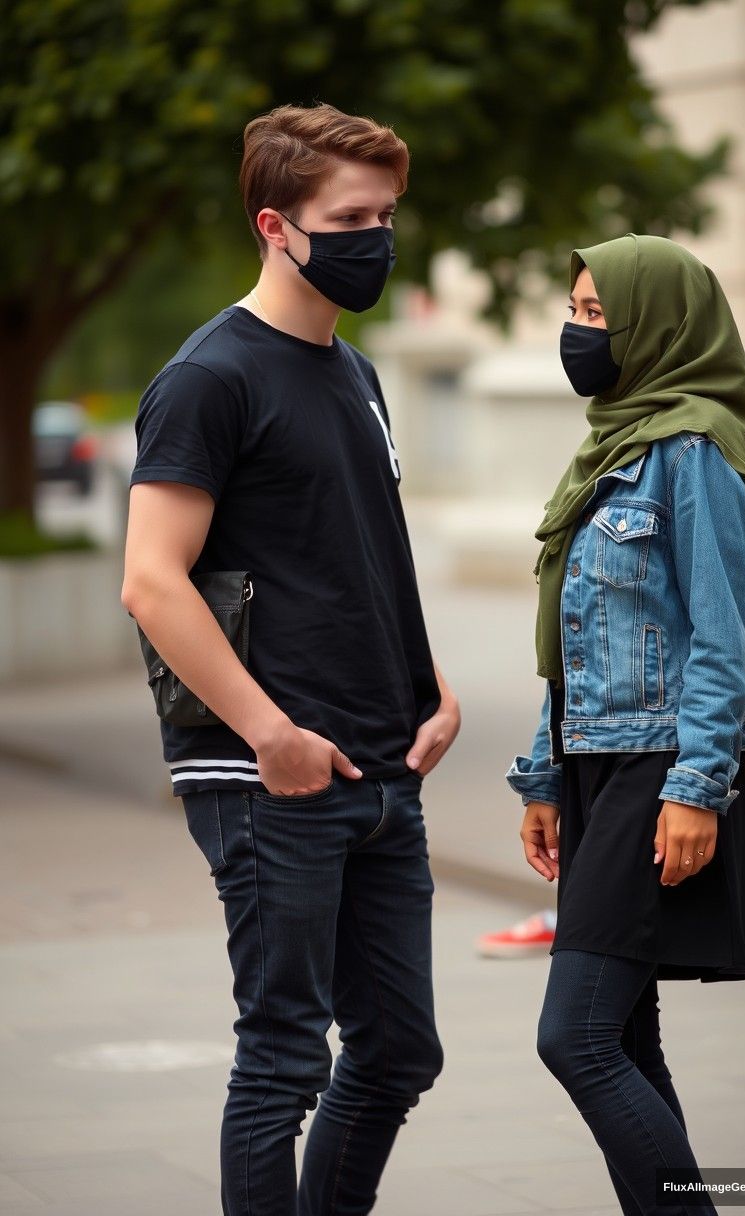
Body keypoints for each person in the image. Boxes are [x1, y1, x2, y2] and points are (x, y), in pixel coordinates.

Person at [121, 102, 460, 1216]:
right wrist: (271, 733)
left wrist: (436, 684)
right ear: (276, 225)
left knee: (399, 1050)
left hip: (377, 766)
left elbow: (359, 551)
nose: (378, 237)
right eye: (351, 217)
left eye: (388, 215)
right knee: (281, 1059)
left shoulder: (354, 372)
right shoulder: (210, 376)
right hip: (269, 772)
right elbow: (151, 580)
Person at [505, 234, 745, 1216]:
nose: (577, 331)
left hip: (658, 767)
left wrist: (694, 790)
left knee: (577, 1037)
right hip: (596, 766)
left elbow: (722, 640)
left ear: (658, 325)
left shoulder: (692, 452)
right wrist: (543, 774)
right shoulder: (614, 442)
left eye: (600, 315)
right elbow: (575, 635)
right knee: (624, 1035)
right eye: (578, 309)